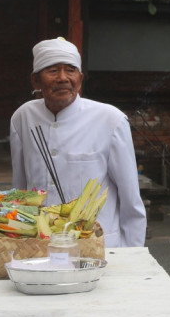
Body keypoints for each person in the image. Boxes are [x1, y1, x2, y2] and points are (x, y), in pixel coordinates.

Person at [10, 37, 147, 247]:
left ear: (80, 79)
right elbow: (20, 190)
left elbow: (131, 200)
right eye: (53, 71)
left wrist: (133, 255)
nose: (63, 78)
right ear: (35, 81)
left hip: (97, 246)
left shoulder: (110, 119)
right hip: (40, 245)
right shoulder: (23, 117)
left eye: (70, 70)